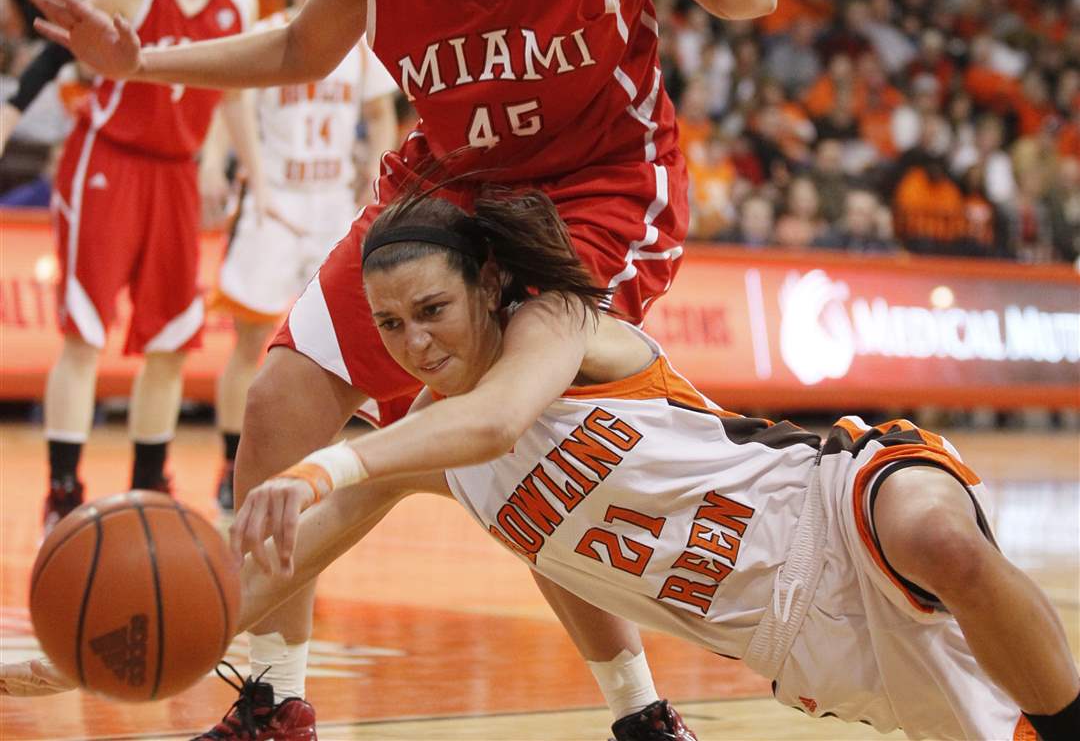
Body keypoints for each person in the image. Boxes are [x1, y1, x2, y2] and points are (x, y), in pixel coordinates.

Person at [28, 0, 777, 737]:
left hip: (597, 188)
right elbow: (300, 46)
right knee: (285, 391)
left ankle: (639, 711)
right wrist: (145, 64)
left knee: (516, 436)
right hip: (449, 184)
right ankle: (274, 698)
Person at [4, 181, 1077, 741]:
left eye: (434, 309)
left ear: (485, 285)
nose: (418, 343)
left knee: (942, 534)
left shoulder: (560, 321)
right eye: (390, 326)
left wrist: (332, 464)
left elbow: (499, 419)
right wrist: (88, 658)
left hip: (830, 500)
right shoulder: (424, 441)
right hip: (810, 644)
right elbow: (266, 578)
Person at [17, 0, 266, 533]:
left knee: (172, 341)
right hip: (108, 160)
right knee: (83, 335)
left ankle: (148, 489)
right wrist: (14, 108)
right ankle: (64, 491)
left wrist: (225, 164)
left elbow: (230, 93)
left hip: (176, 173)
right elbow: (59, 42)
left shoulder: (238, 1)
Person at [204, 0, 399, 517]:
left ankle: (316, 469)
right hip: (277, 201)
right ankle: (230, 461)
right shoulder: (269, 37)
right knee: (247, 340)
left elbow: (380, 116)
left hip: (332, 204)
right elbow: (229, 104)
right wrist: (234, 171)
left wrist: (376, 179)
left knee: (335, 344)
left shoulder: (360, 44)